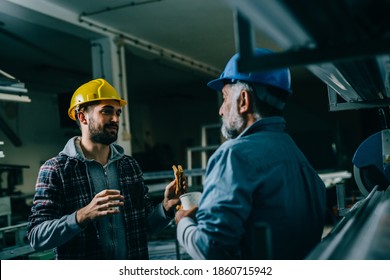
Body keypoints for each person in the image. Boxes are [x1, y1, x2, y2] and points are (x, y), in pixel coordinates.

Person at [175, 48, 327, 260]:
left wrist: (183, 222)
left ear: (243, 101)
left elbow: (210, 249)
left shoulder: (233, 155)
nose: (221, 110)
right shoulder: (300, 159)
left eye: (225, 97)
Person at [28, 78, 183, 259]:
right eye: (107, 111)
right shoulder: (56, 169)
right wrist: (82, 216)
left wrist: (165, 207)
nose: (116, 119)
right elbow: (36, 237)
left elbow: (144, 226)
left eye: (118, 112)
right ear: (82, 116)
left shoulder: (129, 166)